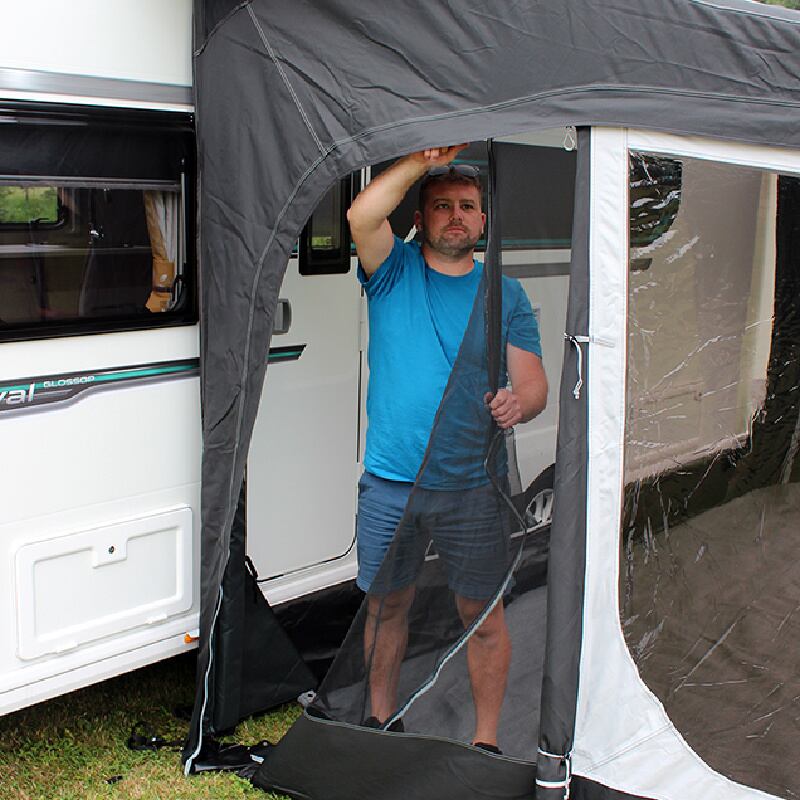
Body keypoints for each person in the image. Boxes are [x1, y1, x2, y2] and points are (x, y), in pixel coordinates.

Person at [347, 144, 547, 751]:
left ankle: (486, 743)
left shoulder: (503, 294)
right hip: (391, 483)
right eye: (441, 206)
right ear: (420, 217)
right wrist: (420, 161)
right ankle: (382, 722)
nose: (455, 216)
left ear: (484, 221)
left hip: (470, 487)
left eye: (467, 206)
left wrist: (524, 403)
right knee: (386, 607)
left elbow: (533, 380)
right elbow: (359, 216)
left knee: (482, 619)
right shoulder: (392, 273)